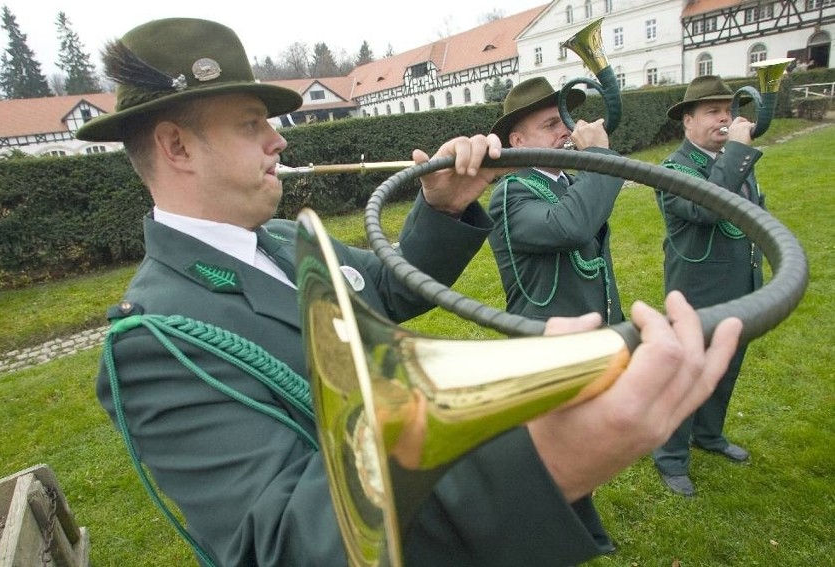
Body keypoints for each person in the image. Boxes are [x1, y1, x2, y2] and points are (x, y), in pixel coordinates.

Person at [78, 18, 742, 567]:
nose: (278, 138)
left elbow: (386, 297)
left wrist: (443, 208)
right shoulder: (154, 338)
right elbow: (284, 546)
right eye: (252, 123)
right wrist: (542, 466)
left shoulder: (279, 241)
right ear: (176, 146)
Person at [487, 77, 626, 552]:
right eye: (551, 124)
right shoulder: (509, 194)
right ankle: (552, 535)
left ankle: (577, 530)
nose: (565, 131)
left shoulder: (567, 181)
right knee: (552, 455)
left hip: (584, 334)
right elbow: (571, 226)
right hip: (546, 347)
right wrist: (601, 158)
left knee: (574, 446)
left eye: (565, 121)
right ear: (517, 142)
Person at [652, 75, 765, 497]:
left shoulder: (734, 160)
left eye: (728, 111)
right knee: (686, 375)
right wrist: (736, 149)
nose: (725, 119)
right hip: (697, 292)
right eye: (713, 112)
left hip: (741, 285)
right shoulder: (673, 169)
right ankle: (670, 457)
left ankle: (709, 435)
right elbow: (709, 208)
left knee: (725, 367)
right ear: (687, 121)